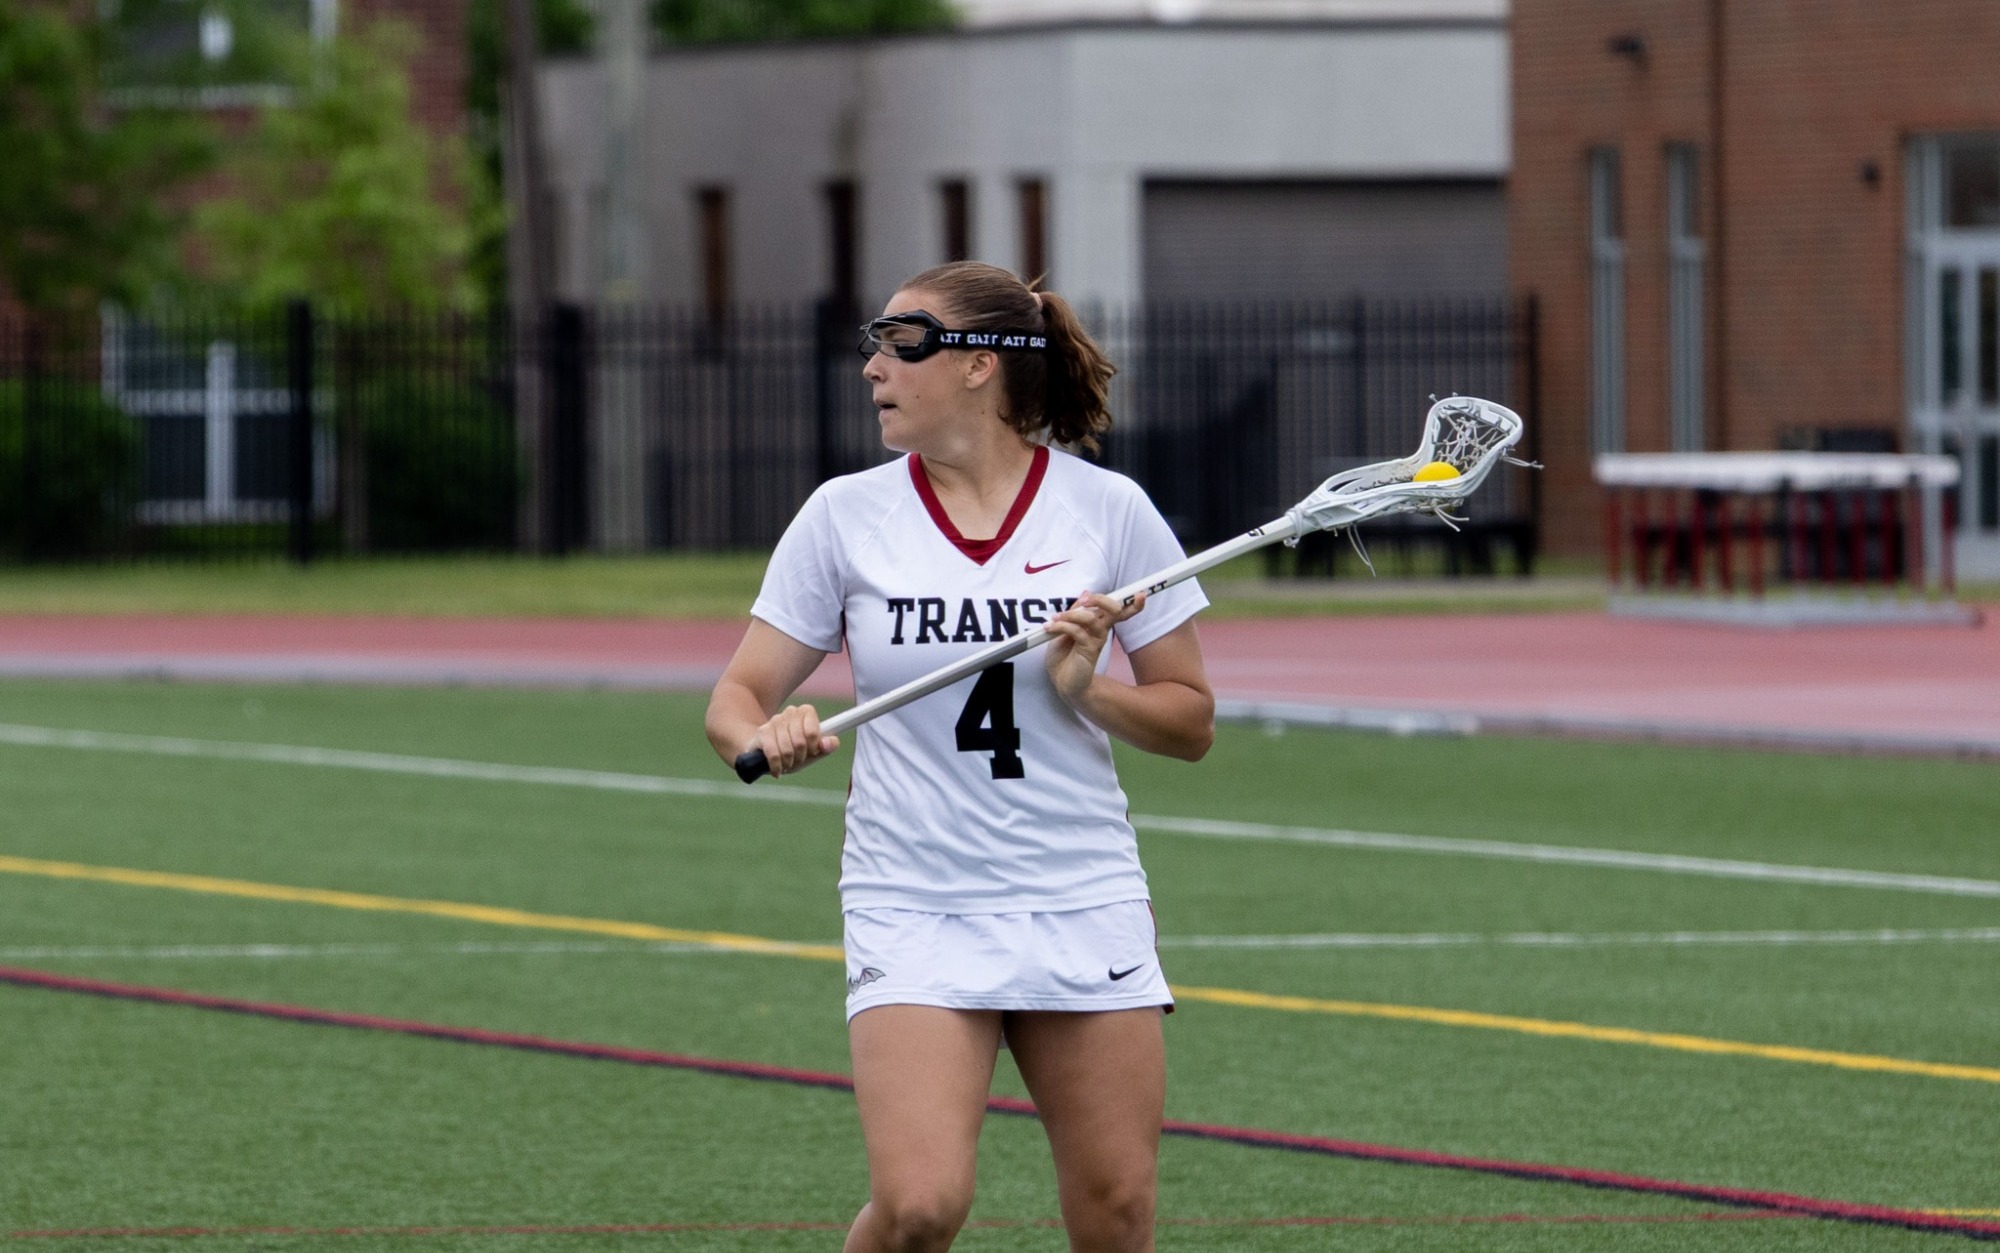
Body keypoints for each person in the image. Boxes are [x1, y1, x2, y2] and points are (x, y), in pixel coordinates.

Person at [705, 261, 1214, 1253]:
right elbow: (735, 698)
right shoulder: (843, 516)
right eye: (874, 343)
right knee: (918, 1205)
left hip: (1078, 889)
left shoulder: (1107, 511)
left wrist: (1086, 688)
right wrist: (759, 734)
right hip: (914, 893)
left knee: (1116, 1212)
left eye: (901, 344)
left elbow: (1189, 719)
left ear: (980, 365)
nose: (872, 367)